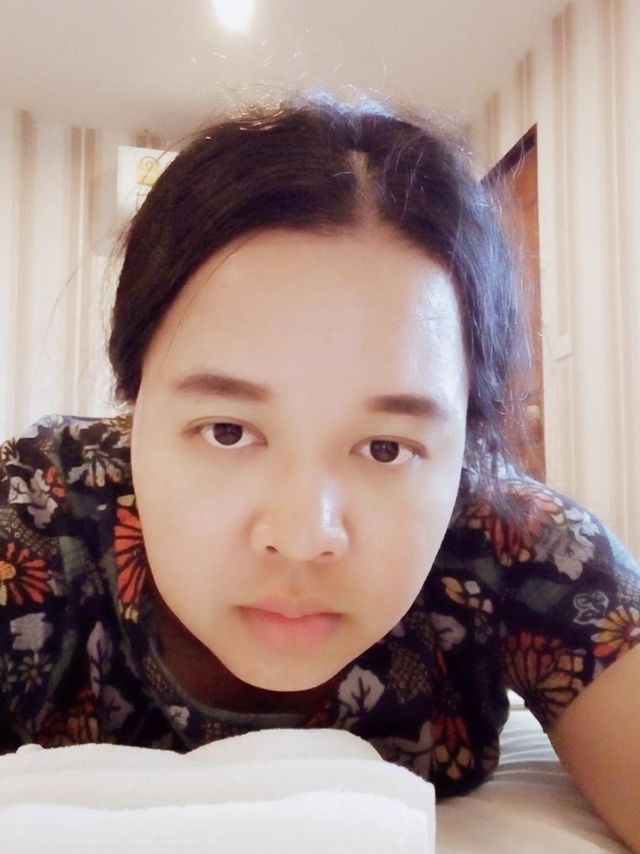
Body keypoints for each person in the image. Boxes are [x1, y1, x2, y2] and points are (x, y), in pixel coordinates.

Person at [1, 95, 639, 847]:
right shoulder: (30, 521)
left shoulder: (524, 545)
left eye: (385, 448)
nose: (303, 537)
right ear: (133, 404)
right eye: (229, 431)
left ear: (465, 441)